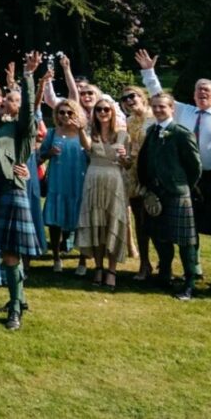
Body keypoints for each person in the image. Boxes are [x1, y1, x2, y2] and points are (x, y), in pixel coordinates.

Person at [136, 49, 211, 292]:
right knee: (187, 229)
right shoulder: (184, 111)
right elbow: (158, 96)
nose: (201, 94)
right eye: (198, 90)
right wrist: (148, 71)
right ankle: (192, 269)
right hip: (181, 179)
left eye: (206, 91)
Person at [0, 57, 42, 330]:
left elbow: (29, 108)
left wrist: (28, 77)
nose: (5, 102)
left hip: (12, 191)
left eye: (10, 100)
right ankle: (20, 299)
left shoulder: (23, 128)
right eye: (6, 99)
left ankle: (15, 309)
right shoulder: (0, 126)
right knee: (8, 251)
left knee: (10, 254)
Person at [137, 91, 203, 300]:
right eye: (155, 107)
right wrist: (148, 186)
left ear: (172, 108)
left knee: (185, 241)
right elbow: (144, 161)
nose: (158, 110)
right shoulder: (152, 132)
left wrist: (182, 186)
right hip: (155, 193)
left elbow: (195, 167)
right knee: (160, 237)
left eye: (162, 107)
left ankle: (189, 283)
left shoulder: (181, 133)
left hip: (177, 194)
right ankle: (165, 275)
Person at [75, 94, 130, 289]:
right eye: (99, 110)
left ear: (113, 112)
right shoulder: (91, 132)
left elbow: (128, 164)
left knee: (112, 223)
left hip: (114, 180)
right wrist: (81, 129)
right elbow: (86, 146)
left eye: (106, 109)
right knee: (96, 224)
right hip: (93, 179)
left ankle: (112, 270)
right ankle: (98, 267)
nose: (103, 113)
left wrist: (124, 157)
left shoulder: (122, 134)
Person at [39, 88, 90, 274]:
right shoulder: (52, 133)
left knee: (82, 221)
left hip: (79, 180)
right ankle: (56, 258)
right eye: (62, 112)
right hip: (58, 181)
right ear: (56, 115)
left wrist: (82, 131)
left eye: (70, 112)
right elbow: (39, 156)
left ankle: (83, 261)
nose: (66, 115)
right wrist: (47, 153)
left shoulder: (83, 132)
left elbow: (92, 152)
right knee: (55, 222)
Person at [121, 86, 155, 279]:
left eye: (132, 96)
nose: (128, 100)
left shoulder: (155, 117)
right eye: (124, 99)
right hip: (133, 175)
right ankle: (144, 264)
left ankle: (165, 265)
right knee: (140, 222)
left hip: (153, 175)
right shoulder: (128, 122)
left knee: (156, 222)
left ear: (142, 97)